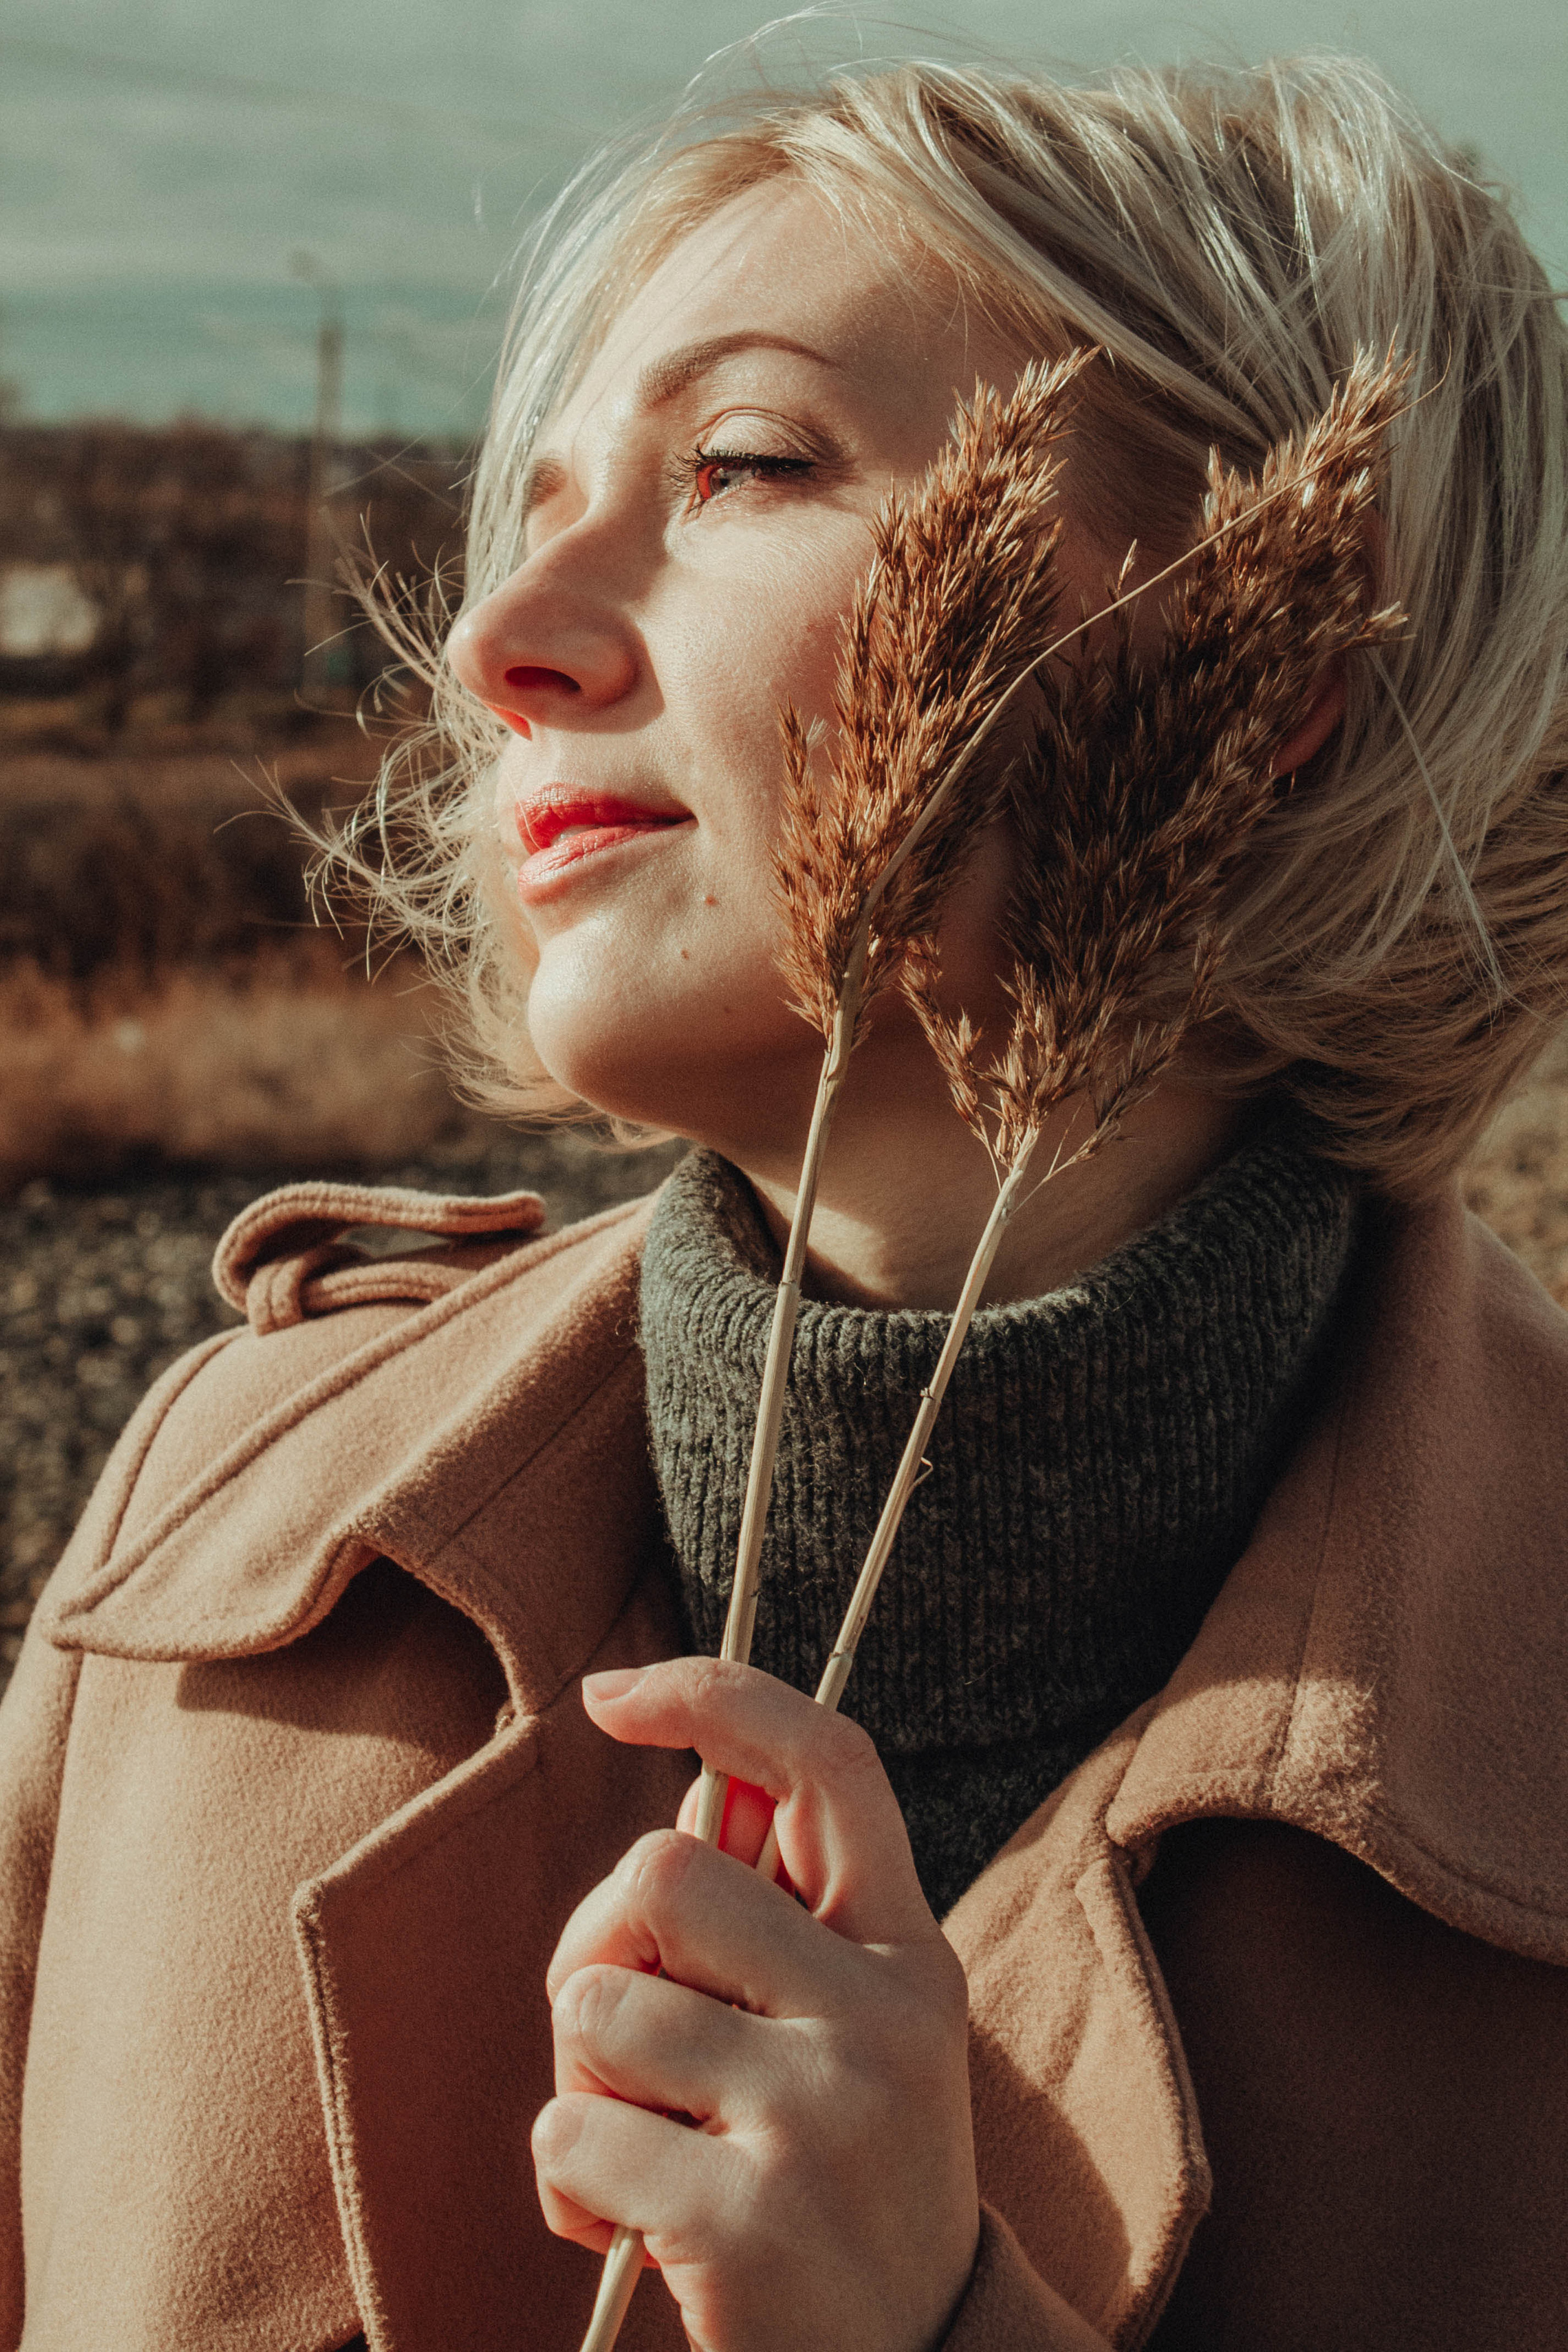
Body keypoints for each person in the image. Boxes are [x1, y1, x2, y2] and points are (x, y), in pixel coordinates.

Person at [3, 48, 1567, 2352]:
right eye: (539, 501)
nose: (497, 639)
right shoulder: (217, 1522)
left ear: (1270, 667)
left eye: (740, 462)